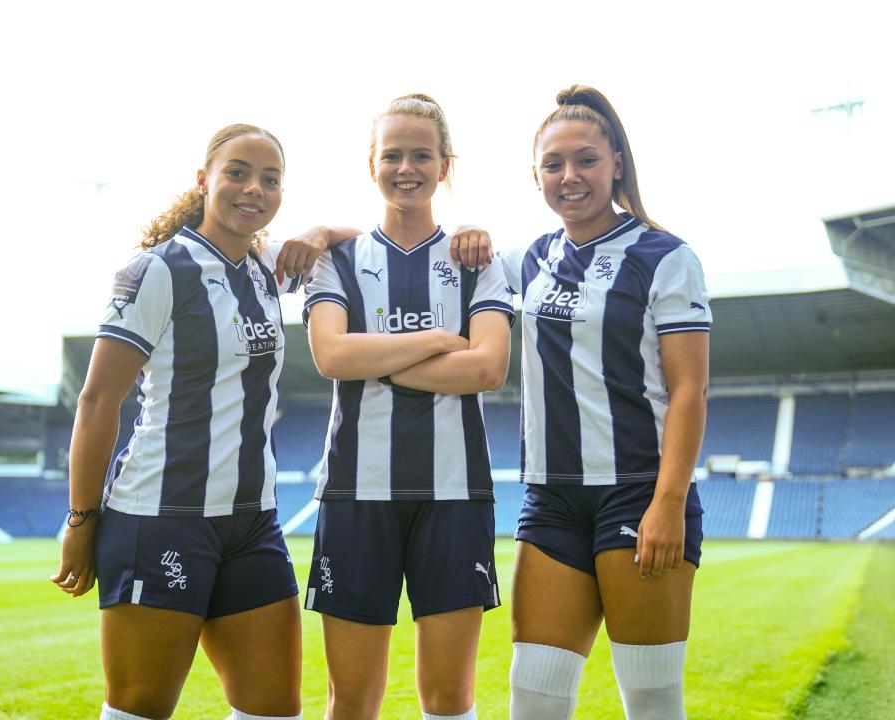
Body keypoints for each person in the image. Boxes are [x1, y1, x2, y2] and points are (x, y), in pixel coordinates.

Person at [50, 123, 358, 720]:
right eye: (238, 173)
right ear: (204, 181)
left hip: (251, 525)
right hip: (161, 520)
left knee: (274, 709)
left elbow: (361, 240)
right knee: (141, 708)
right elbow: (96, 401)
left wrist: (317, 231)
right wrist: (81, 520)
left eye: (271, 179)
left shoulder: (268, 266)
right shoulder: (157, 272)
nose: (255, 189)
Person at [452, 85, 711, 719]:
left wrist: (669, 503)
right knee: (534, 694)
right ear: (536, 174)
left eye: (586, 160)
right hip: (551, 498)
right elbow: (410, 245)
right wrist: (323, 233)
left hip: (639, 491)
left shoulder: (665, 256)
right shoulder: (530, 260)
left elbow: (689, 389)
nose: (570, 177)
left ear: (616, 163)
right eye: (553, 164)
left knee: (651, 698)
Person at [302, 94, 515, 720]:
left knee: (449, 699)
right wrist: (439, 341)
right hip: (355, 495)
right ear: (371, 164)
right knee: (353, 701)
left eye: (421, 154)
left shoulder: (477, 261)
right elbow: (332, 358)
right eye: (391, 154)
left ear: (445, 165)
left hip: (455, 495)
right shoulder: (336, 261)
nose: (406, 167)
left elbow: (488, 369)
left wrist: (381, 357)